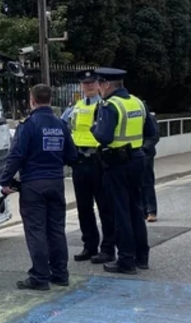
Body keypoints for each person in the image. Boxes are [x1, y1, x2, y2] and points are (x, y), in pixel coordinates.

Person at [0, 84, 79, 291]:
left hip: (33, 184)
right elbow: (72, 156)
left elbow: (16, 155)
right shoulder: (61, 125)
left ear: (32, 100)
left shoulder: (28, 125)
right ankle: (60, 274)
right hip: (55, 183)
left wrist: (5, 181)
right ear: (50, 100)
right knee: (56, 230)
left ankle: (40, 277)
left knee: (36, 231)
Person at [90, 68, 157, 275]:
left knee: (120, 213)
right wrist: (137, 150)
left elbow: (105, 137)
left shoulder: (110, 105)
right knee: (136, 209)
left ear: (107, 85)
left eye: (99, 85)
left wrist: (94, 128)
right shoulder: (137, 102)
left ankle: (126, 260)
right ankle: (141, 257)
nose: (98, 89)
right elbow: (152, 133)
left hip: (116, 164)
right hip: (137, 161)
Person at [62, 70, 116, 265]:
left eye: (92, 83)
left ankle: (108, 248)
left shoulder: (106, 106)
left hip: (99, 160)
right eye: (85, 84)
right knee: (84, 208)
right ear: (81, 86)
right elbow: (65, 129)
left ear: (99, 84)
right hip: (80, 161)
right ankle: (89, 246)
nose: (89, 86)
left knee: (105, 207)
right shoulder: (74, 108)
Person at [142, 111, 161, 222]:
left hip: (146, 153)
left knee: (147, 182)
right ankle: (142, 210)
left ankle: (151, 211)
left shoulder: (149, 116)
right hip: (132, 153)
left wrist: (144, 148)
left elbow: (155, 135)